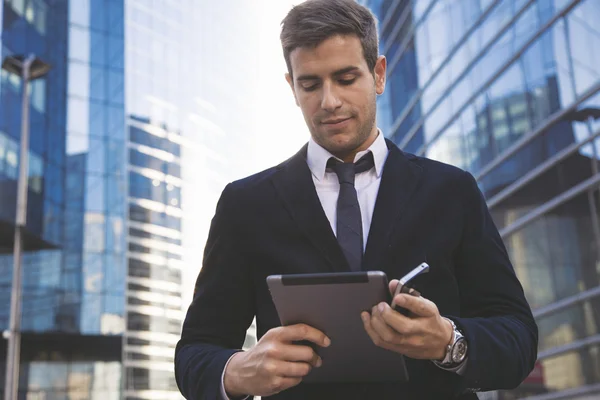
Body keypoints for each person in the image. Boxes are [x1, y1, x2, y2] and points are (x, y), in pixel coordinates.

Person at [174, 0, 538, 399]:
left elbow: (517, 339)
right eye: (310, 84)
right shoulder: (245, 204)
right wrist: (238, 370)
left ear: (378, 74)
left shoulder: (451, 190)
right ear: (292, 87)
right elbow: (195, 351)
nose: (329, 101)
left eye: (346, 78)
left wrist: (448, 341)